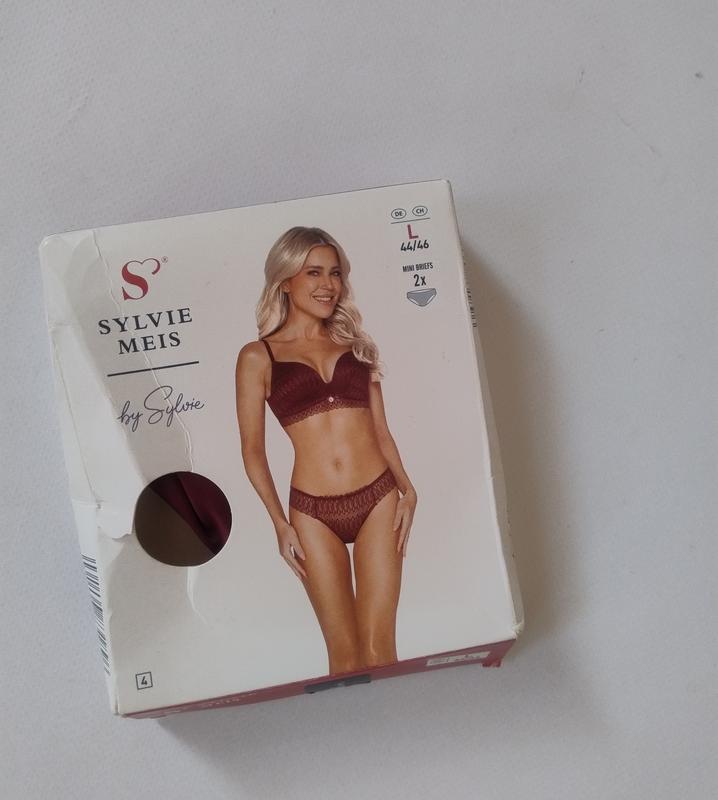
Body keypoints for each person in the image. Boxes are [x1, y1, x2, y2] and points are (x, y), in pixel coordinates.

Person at [235, 226, 417, 674]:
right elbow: (253, 452)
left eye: (335, 273)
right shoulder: (257, 357)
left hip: (378, 499)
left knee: (380, 650)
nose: (328, 284)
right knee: (345, 657)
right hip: (312, 514)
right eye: (313, 272)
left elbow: (381, 431)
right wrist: (279, 523)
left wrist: (408, 489)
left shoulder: (356, 347)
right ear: (285, 280)